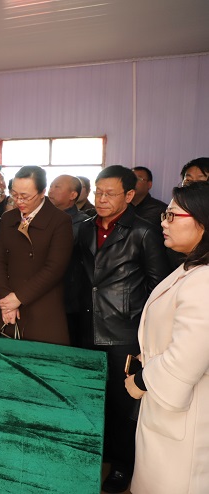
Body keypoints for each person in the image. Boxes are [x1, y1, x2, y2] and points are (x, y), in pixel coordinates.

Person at [76, 165, 171, 493]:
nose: (101, 199)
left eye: (110, 194)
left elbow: (158, 288)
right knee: (92, 398)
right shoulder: (85, 227)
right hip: (88, 326)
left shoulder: (143, 232)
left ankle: (121, 465)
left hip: (123, 331)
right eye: (98, 192)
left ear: (129, 195)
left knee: (122, 402)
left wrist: (145, 334)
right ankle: (95, 456)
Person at [125, 181, 209, 493]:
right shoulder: (191, 268)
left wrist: (141, 381)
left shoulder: (204, 280)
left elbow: (186, 358)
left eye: (172, 216)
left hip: (184, 413)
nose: (164, 222)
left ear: (203, 222)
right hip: (165, 405)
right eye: (165, 215)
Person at [0, 165, 72, 344]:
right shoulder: (8, 218)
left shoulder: (60, 221)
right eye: (14, 194)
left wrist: (19, 298)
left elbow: (55, 268)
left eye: (25, 196)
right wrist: (6, 300)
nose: (19, 201)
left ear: (42, 192)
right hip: (8, 308)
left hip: (43, 308)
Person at [48, 174, 90, 346]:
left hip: (68, 297)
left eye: (57, 187)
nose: (51, 190)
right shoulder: (42, 217)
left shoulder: (82, 223)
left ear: (73, 195)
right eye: (51, 186)